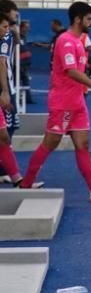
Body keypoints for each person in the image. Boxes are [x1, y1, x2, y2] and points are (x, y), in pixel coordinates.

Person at [17, 2, 91, 202]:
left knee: (82, 144)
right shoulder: (66, 41)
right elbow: (71, 71)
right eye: (89, 19)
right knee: (50, 143)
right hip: (63, 102)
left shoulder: (77, 41)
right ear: (78, 19)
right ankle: (25, 183)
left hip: (77, 102)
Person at [0, 15, 26, 187]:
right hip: (3, 91)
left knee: (4, 138)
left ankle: (17, 179)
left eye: (8, 26)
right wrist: (5, 91)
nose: (7, 30)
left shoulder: (6, 39)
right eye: (4, 26)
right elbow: (2, 63)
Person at [0, 0, 19, 141]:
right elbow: (2, 61)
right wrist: (5, 91)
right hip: (5, 86)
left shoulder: (9, 33)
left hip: (7, 85)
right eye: (14, 13)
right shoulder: (6, 35)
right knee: (8, 127)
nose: (16, 16)